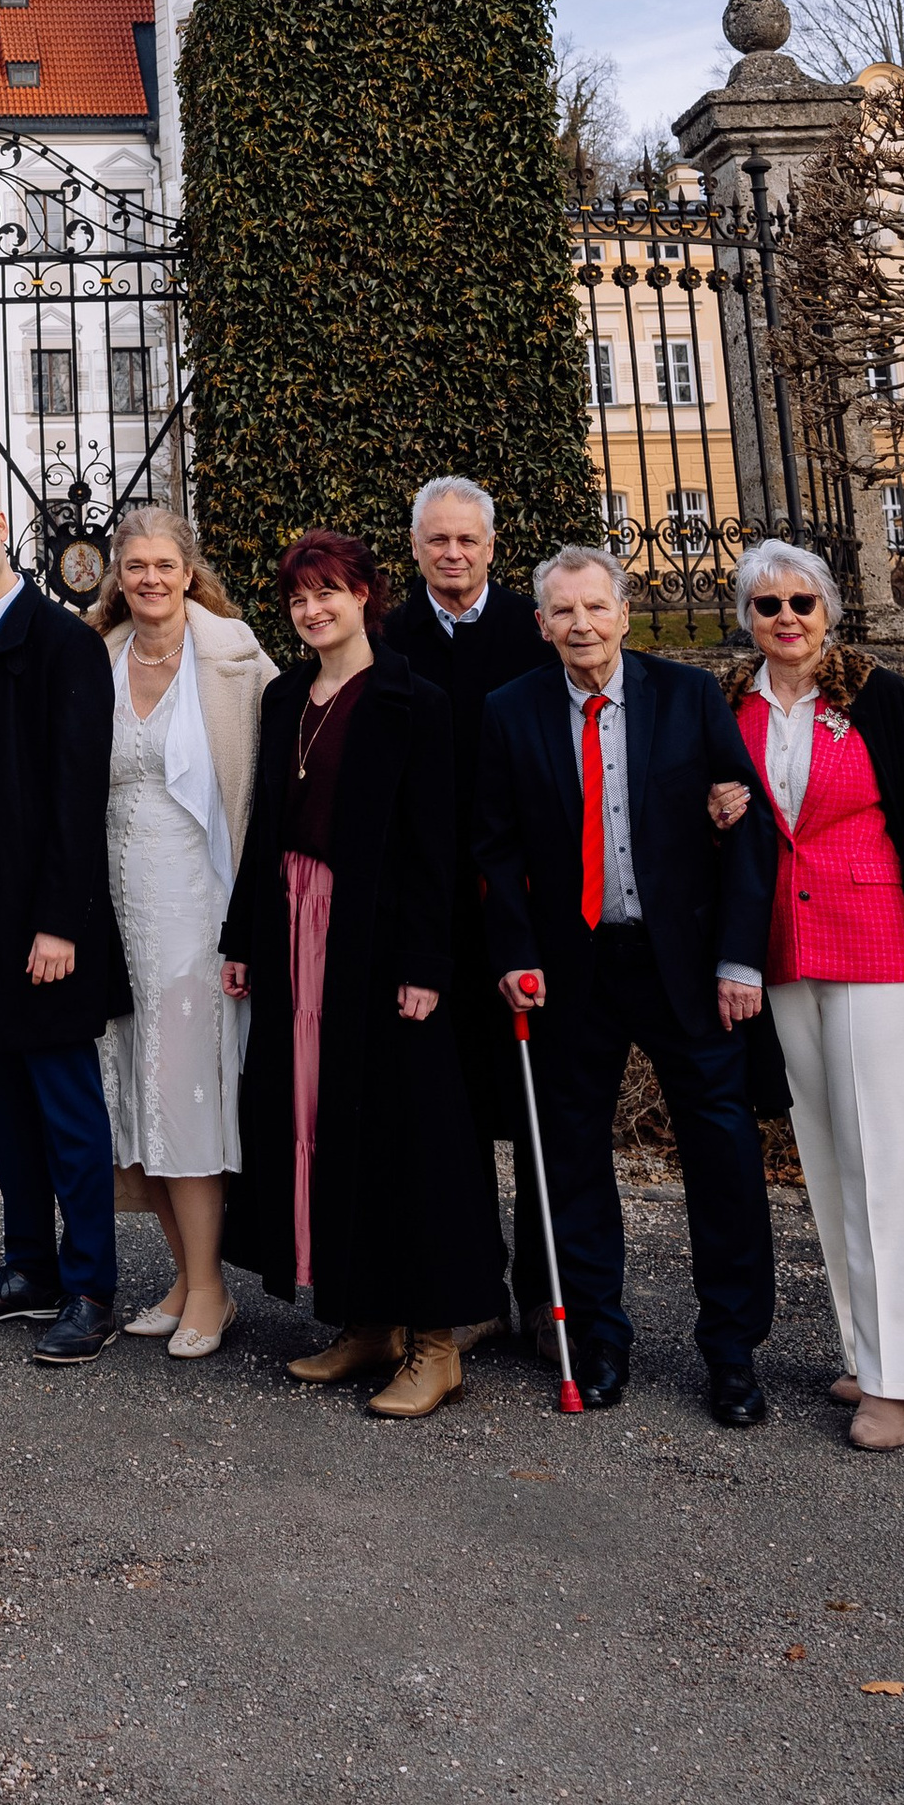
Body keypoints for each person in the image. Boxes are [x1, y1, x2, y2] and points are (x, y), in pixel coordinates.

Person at [720, 537, 904, 1451]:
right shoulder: (729, 705)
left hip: (884, 947)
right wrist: (714, 803)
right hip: (785, 953)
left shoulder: (875, 693)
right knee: (827, 1158)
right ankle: (862, 1348)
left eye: (802, 603)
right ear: (747, 619)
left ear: (829, 612)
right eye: (768, 606)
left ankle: (902, 1378)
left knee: (887, 1167)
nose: (787, 620)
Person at [476, 541, 777, 1424]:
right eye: (562, 611)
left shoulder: (686, 697)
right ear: (541, 623)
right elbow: (492, 845)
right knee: (571, 1161)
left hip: (684, 966)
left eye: (595, 607)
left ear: (624, 613)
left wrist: (738, 959)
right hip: (573, 970)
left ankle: (731, 1352)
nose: (580, 624)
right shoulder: (511, 710)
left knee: (721, 1158)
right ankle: (599, 1341)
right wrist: (512, 950)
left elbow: (743, 823)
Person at [218, 530, 500, 1418]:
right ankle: (365, 1319)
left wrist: (425, 962)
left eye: (330, 593)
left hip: (378, 939)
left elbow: (434, 845)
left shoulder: (412, 698)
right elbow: (267, 826)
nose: (313, 610)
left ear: (367, 595)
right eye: (300, 597)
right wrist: (243, 938)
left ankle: (437, 1341)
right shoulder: (284, 695)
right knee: (323, 1123)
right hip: (295, 928)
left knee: (408, 1131)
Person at [0, 477, 125, 1363]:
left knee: (66, 1107)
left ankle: (90, 1286)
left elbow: (79, 799)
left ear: (2, 528)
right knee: (1, 1103)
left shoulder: (60, 643)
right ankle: (27, 1267)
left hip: (40, 916)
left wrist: (60, 923)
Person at [89, 508, 274, 1360]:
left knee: (186, 1087)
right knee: (138, 1088)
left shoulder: (234, 656)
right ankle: (186, 1275)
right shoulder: (102, 657)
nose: (150, 580)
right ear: (117, 575)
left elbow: (272, 780)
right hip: (118, 902)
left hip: (197, 899)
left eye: (165, 565)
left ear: (188, 572)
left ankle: (211, 1286)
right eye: (135, 567)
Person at [380, 475, 554, 1343]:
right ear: (415, 550)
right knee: (450, 1117)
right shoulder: (390, 639)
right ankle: (473, 1294)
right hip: (434, 910)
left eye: (468, 541)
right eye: (437, 541)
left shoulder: (536, 628)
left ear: (492, 547)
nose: (453, 554)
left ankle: (544, 1295)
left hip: (526, 906)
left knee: (533, 1113)